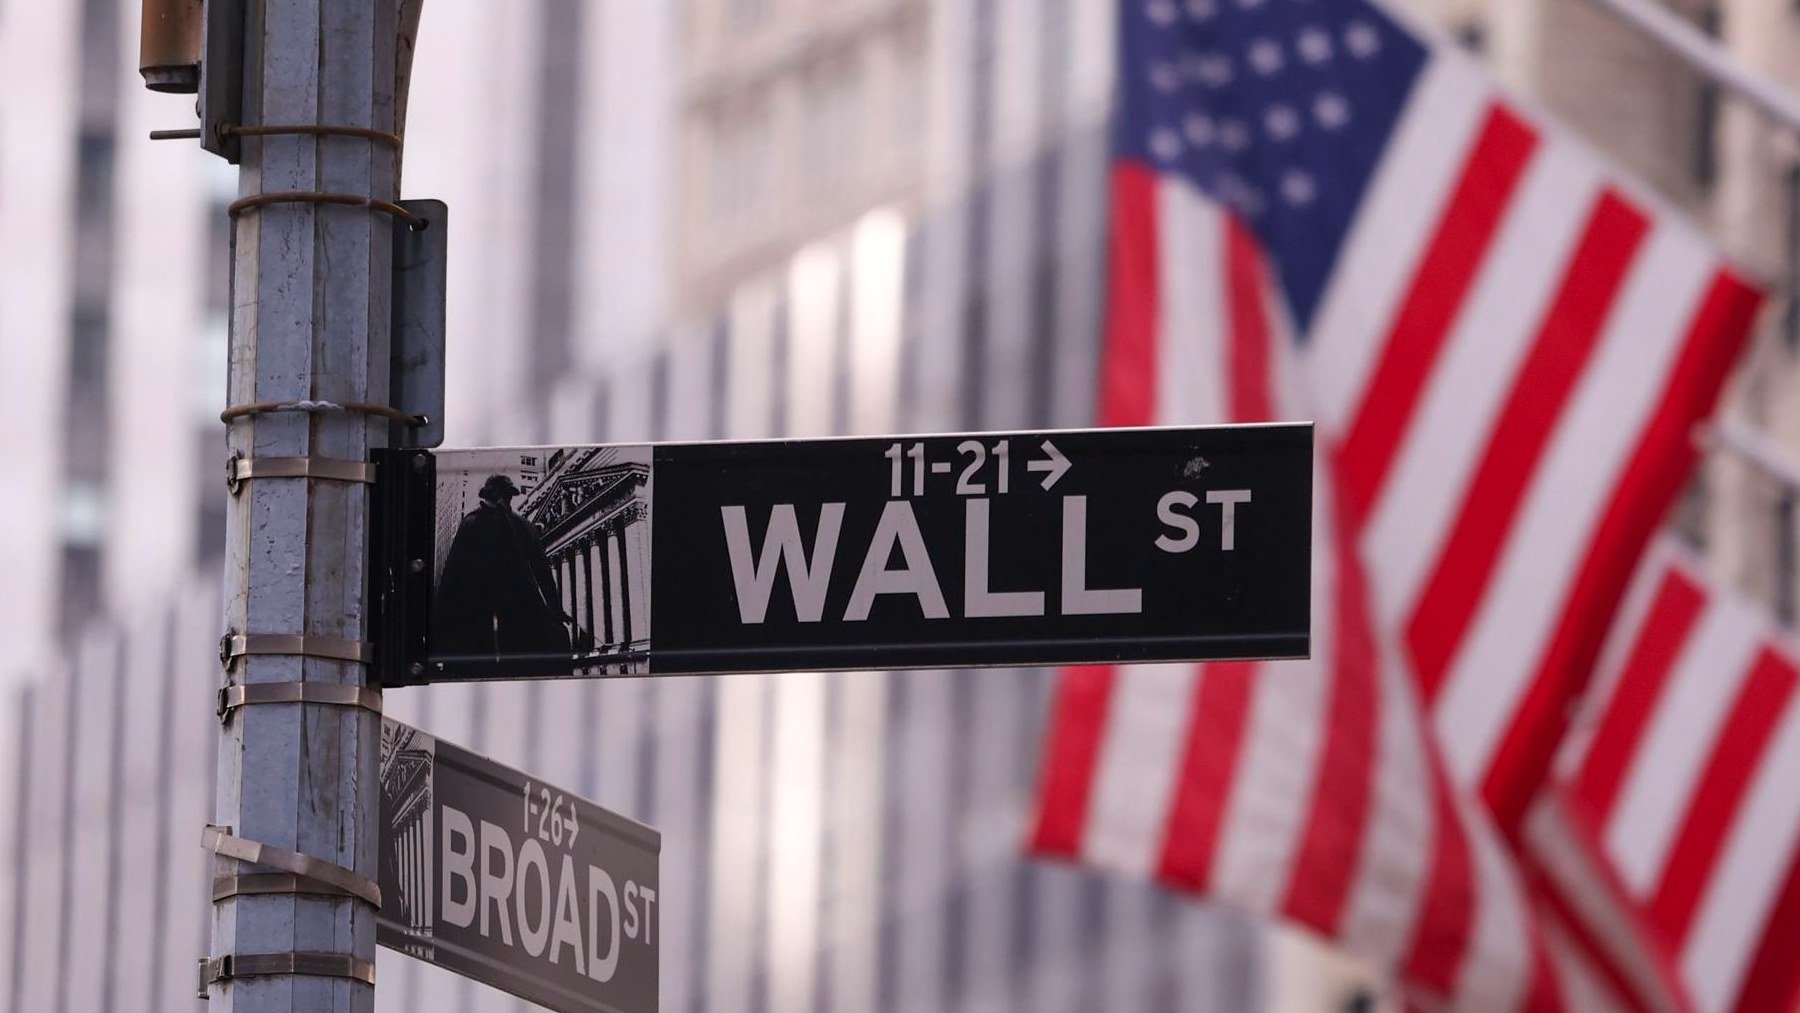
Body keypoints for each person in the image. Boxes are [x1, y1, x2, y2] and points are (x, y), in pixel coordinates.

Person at [431, 474, 572, 659]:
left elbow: (451, 574)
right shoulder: (523, 526)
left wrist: (442, 612)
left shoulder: (473, 523)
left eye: (507, 496)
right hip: (509, 609)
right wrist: (555, 609)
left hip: (487, 610)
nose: (506, 500)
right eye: (506, 495)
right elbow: (543, 572)